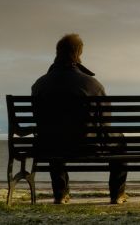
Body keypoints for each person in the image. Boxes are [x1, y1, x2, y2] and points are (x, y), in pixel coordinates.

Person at [31, 33, 128, 204]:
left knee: (53, 137)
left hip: (51, 145)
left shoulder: (40, 84)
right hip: (87, 144)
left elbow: (39, 120)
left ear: (57, 52)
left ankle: (60, 194)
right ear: (79, 53)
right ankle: (117, 194)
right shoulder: (92, 84)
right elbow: (105, 121)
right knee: (120, 141)